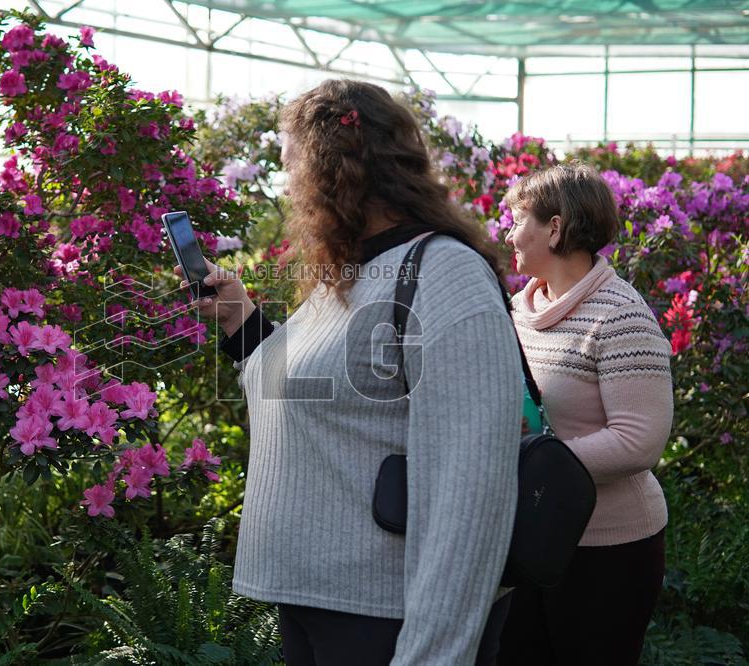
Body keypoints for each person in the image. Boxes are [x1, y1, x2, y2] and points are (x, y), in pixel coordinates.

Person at [175, 79, 522, 665]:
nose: (288, 190)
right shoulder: (357, 274)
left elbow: (473, 493)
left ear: (327, 172)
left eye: (291, 169)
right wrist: (238, 313)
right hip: (319, 604)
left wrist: (434, 652)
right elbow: (304, 387)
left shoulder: (444, 276)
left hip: (387, 619)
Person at [497, 163, 674, 665]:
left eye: (518, 219)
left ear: (554, 228)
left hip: (607, 551)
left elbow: (639, 441)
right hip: (529, 537)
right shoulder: (517, 310)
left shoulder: (620, 316)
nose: (510, 234)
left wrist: (529, 465)